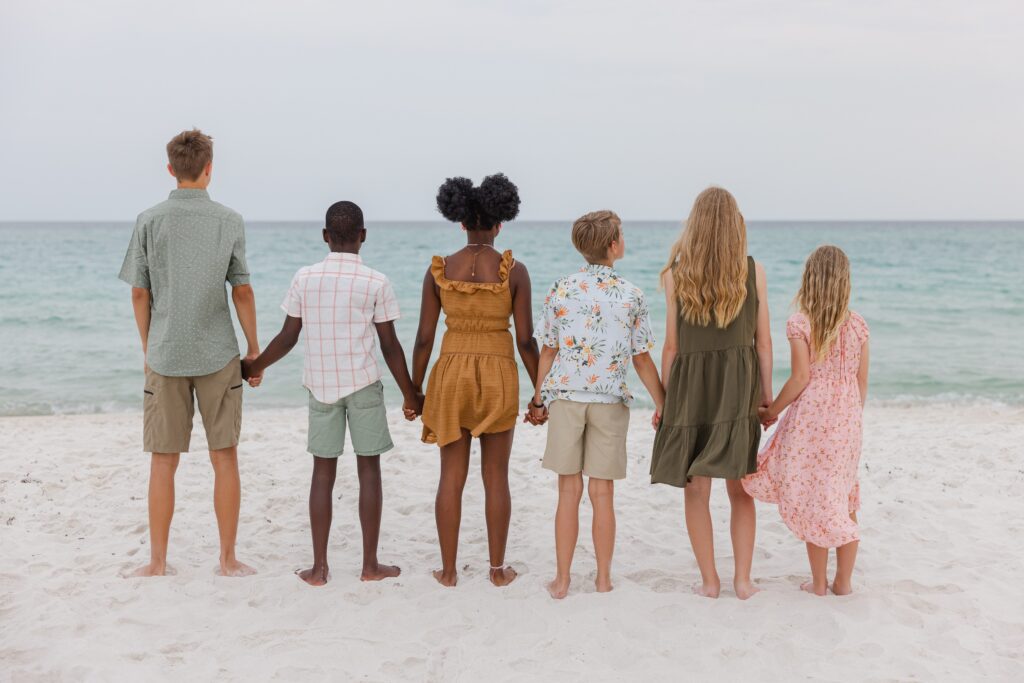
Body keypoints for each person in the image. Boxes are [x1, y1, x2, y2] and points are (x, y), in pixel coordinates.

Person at [241, 201, 420, 585]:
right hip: (363, 384)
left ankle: (319, 568)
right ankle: (370, 566)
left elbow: (289, 336)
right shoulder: (377, 281)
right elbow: (391, 346)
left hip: (321, 386)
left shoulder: (305, 278)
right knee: (369, 469)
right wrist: (410, 395)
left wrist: (254, 367)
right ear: (363, 236)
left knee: (323, 472)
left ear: (325, 236)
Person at [118, 129, 258, 578]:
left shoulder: (149, 220)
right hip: (218, 352)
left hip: (166, 353)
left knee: (163, 461)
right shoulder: (230, 220)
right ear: (209, 167)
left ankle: (157, 562)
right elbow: (242, 290)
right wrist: (254, 348)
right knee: (225, 456)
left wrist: (148, 346)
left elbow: (140, 293)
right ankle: (227, 558)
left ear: (171, 169)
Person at [411, 173, 541, 588]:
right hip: (498, 371)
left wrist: (414, 391)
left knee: (451, 474)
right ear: (500, 223)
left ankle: (448, 572)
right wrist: (543, 391)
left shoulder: (440, 270)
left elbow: (424, 338)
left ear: (460, 221)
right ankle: (497, 570)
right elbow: (525, 340)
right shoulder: (513, 271)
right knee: (495, 475)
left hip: (450, 373)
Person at [528, 210, 665, 599]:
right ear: (612, 245)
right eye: (621, 234)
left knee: (567, 492)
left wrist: (539, 399)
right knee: (602, 494)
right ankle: (603, 579)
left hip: (567, 401)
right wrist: (663, 403)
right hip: (608, 403)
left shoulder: (560, 289)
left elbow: (548, 350)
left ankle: (562, 580)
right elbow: (641, 358)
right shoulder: (632, 295)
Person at [649, 186, 773, 600]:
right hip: (738, 387)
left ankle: (709, 581)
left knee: (696, 489)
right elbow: (763, 342)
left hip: (691, 389)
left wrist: (666, 402)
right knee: (739, 489)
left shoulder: (673, 275)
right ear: (735, 223)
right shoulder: (752, 271)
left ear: (695, 225)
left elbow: (671, 347)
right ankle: (742, 581)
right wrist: (766, 396)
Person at [743, 246, 870, 596]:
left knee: (817, 498)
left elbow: (800, 378)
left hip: (812, 418)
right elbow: (861, 382)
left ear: (809, 279)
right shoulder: (858, 325)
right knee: (843, 496)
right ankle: (843, 582)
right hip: (847, 420)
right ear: (845, 281)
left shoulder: (801, 322)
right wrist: (851, 419)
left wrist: (771, 411)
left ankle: (817, 583)